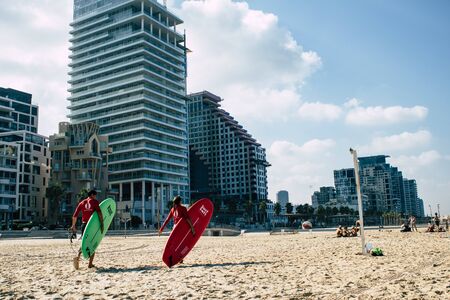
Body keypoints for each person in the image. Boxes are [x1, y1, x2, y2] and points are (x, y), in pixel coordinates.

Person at [71, 190, 104, 270]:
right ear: (92, 195)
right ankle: (90, 264)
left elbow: (75, 216)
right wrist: (102, 223)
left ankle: (77, 258)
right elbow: (99, 213)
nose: (95, 197)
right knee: (92, 244)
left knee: (84, 243)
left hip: (84, 225)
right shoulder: (95, 202)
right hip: (91, 226)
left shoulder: (81, 203)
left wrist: (73, 226)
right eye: (95, 195)